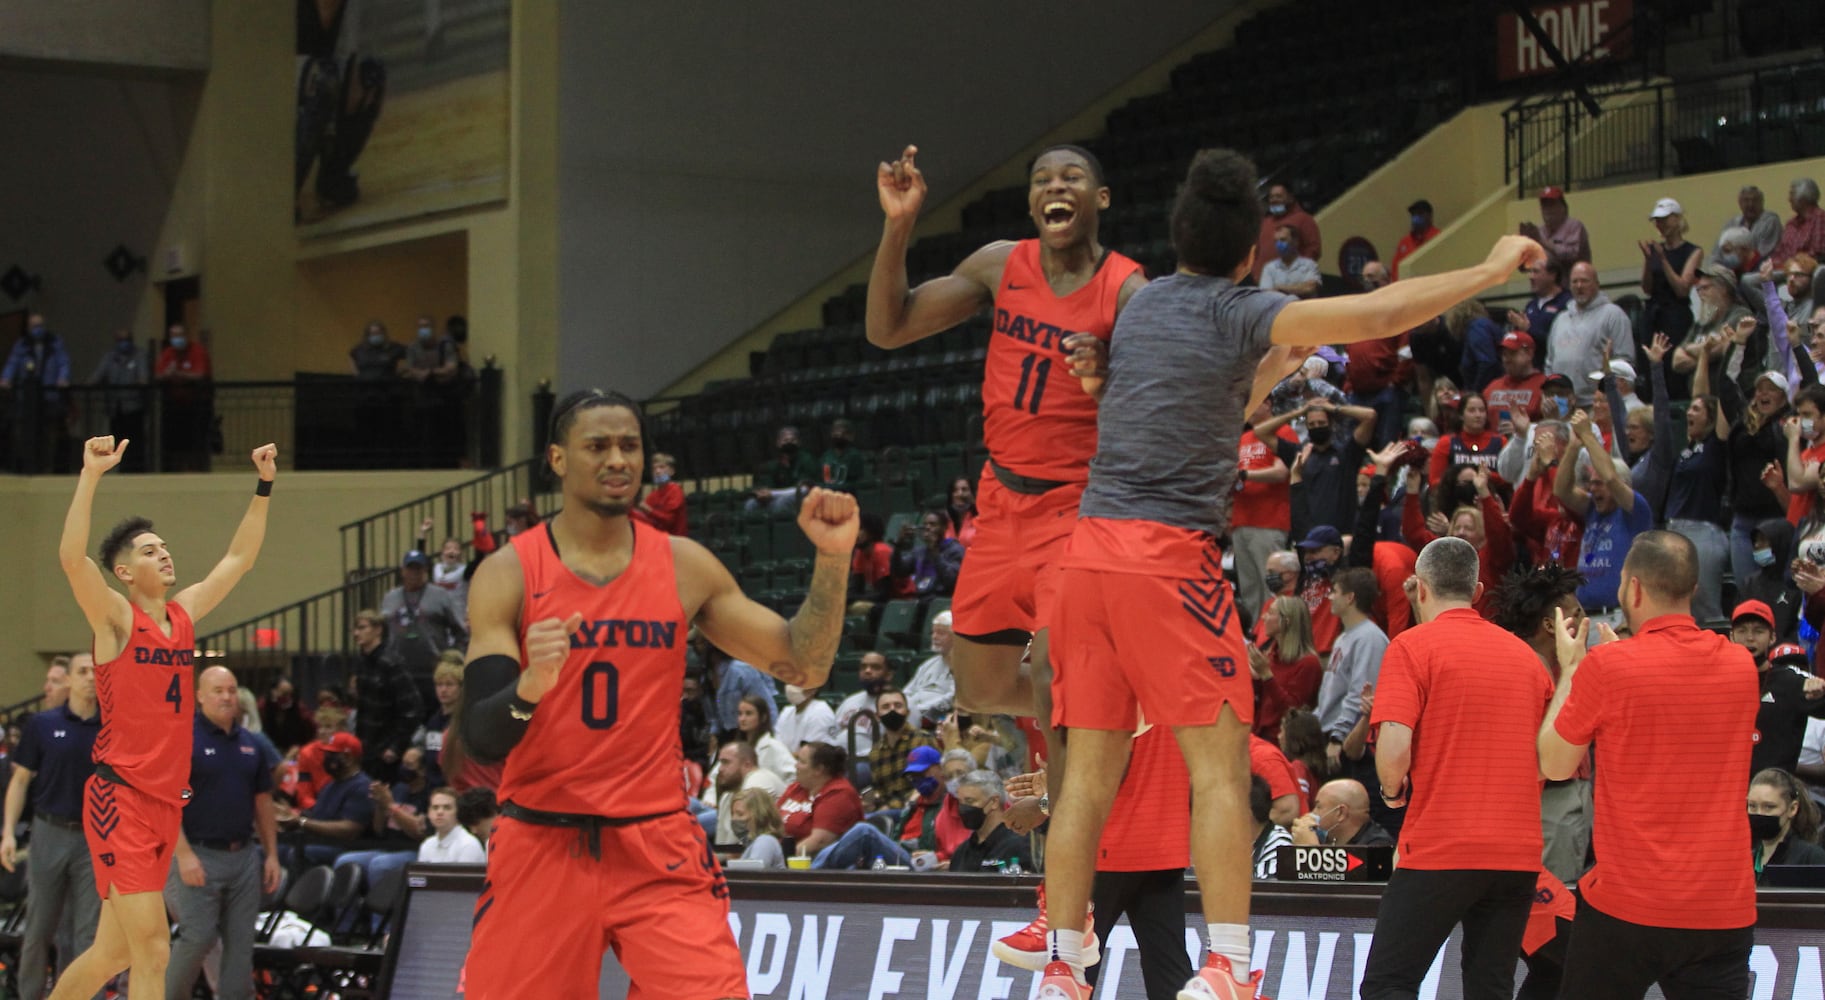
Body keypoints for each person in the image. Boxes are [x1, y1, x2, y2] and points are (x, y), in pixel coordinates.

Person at [1032, 146, 1548, 999]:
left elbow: (1185, 406)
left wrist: (1262, 376)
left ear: (1177, 237)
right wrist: (1490, 265)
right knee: (1221, 766)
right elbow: (1382, 307)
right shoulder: (1242, 308)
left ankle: (1062, 960)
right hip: (1165, 557)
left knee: (1087, 772)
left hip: (1085, 555)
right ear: (1248, 255)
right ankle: (1229, 963)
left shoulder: (1142, 302)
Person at [453, 389, 856, 998]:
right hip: (542, 841)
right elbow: (482, 736)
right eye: (598, 446)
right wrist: (531, 685)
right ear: (558, 460)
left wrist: (831, 559)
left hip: (656, 843)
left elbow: (804, 664)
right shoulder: (510, 571)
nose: (618, 459)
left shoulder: (683, 564)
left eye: (630, 446)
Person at [866, 143, 1148, 834]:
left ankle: (1065, 822)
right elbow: (888, 327)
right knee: (981, 687)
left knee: (1053, 667)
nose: (1056, 186)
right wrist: (898, 225)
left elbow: (1151, 409)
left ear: (1099, 199)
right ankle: (1109, 708)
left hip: (1077, 504)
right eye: (1042, 180)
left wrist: (1105, 375)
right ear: (1031, 203)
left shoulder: (1127, 290)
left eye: (1072, 176)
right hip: (999, 501)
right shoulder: (1001, 263)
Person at [52, 437, 276, 1000]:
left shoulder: (184, 614)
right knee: (153, 949)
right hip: (118, 798)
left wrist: (264, 485)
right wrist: (90, 475)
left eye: (165, 546)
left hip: (163, 806)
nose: (165, 554)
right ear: (125, 572)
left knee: (115, 953)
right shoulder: (115, 619)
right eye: (150, 551)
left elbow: (240, 560)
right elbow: (71, 560)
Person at [1540, 530, 1759, 997]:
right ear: (1694, 590)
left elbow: (1554, 765)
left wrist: (1573, 671)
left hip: (1627, 906)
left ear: (1633, 588)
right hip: (1721, 906)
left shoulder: (1609, 668)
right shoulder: (1742, 667)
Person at [1359, 537, 1550, 1000]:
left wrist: (1391, 793)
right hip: (1517, 853)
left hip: (1442, 845)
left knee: (1388, 984)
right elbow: (1553, 758)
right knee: (1490, 988)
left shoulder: (1412, 647)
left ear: (1419, 589)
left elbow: (1394, 749)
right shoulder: (1530, 660)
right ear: (1478, 590)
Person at [165, 667, 282, 1000]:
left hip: (243, 855)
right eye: (218, 690)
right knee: (197, 938)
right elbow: (167, 802)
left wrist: (271, 854)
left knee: (241, 945)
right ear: (200, 696)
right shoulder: (183, 739)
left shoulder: (251, 745)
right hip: (197, 853)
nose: (227, 697)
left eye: (231, 690)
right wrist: (183, 854)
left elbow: (263, 802)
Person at [2, 653, 101, 1000]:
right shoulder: (43, 725)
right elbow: (20, 781)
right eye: (82, 672)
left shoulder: (112, 727)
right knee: (39, 928)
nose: (90, 678)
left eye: (95, 671)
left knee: (85, 932)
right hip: (50, 831)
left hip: (95, 838)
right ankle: (29, 995)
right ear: (69, 679)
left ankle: (72, 995)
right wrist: (7, 833)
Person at [1493, 564, 1594, 883]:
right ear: (1551, 625)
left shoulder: (1529, 661)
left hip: (1555, 800)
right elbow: (1536, 757)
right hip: (1550, 804)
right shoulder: (1532, 670)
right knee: (1553, 909)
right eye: (1576, 614)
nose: (1583, 621)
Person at [1555, 407, 1654, 633]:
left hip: (1618, 617)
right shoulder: (1592, 509)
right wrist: (1573, 445)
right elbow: (1561, 490)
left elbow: (1610, 476)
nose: (1593, 488)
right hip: (1588, 617)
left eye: (1598, 484)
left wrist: (1588, 436)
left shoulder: (1635, 510)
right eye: (1591, 482)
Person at [813, 744, 965, 869]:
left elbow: (950, 847)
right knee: (851, 867)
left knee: (864, 832)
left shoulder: (949, 804)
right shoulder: (912, 807)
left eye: (922, 773)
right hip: (898, 859)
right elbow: (895, 841)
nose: (918, 780)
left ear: (940, 770)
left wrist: (932, 857)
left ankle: (812, 875)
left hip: (921, 864)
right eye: (914, 776)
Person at [1734, 600, 1825, 775]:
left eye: (1758, 631)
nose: (1750, 637)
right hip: (1731, 790)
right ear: (1731, 636)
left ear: (1772, 637)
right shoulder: (1721, 682)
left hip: (1777, 793)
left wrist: (1820, 689)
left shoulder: (1789, 681)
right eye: (1742, 630)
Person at [1315, 568, 1388, 748]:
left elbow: (1361, 694)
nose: (1330, 597)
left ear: (1349, 598)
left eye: (1335, 592)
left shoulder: (1370, 638)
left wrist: (1338, 737)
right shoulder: (1343, 637)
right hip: (1328, 731)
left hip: (1347, 740)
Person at [349, 609, 425, 782]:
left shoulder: (391, 663)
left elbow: (413, 708)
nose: (356, 633)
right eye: (355, 628)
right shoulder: (362, 663)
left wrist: (396, 746)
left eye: (362, 628)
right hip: (366, 746)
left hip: (384, 749)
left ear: (378, 630)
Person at [1545, 262, 1635, 406]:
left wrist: (1607, 397)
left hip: (1598, 404)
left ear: (1597, 284)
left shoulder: (1613, 315)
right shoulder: (1560, 319)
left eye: (1584, 281)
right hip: (1562, 406)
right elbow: (1549, 363)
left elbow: (1625, 361)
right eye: (1575, 281)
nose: (1579, 286)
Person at [1, 313, 73, 474]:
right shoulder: (22, 345)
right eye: (34, 326)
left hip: (49, 396)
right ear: (28, 328)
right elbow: (12, 363)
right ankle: (24, 467)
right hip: (27, 397)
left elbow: (63, 362)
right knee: (23, 433)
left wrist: (63, 378)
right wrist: (6, 379)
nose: (37, 329)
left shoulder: (54, 342)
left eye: (40, 325)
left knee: (49, 434)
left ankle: (46, 468)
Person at [380, 551, 467, 677]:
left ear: (425, 570)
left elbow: (461, 632)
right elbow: (381, 632)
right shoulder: (390, 598)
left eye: (418, 569)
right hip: (397, 671)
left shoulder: (440, 595)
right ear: (403, 571)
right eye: (410, 568)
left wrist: (450, 659)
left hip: (433, 669)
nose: (414, 573)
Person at [1248, 595, 1320, 743]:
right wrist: (1254, 678)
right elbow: (1260, 703)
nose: (1264, 617)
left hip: (1285, 743)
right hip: (1260, 736)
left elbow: (1292, 711)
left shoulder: (1308, 664)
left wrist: (1266, 676)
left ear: (1285, 622)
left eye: (1271, 613)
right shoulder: (1271, 656)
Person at [777, 742, 865, 860]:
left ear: (819, 769)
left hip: (811, 863)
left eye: (802, 762)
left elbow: (819, 842)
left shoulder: (839, 794)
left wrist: (781, 859)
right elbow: (770, 820)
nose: (796, 765)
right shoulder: (796, 788)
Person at [1640, 198, 1704, 355]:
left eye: (1664, 220)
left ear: (1676, 219)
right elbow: (1647, 288)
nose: (1660, 225)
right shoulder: (1654, 249)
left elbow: (1682, 289)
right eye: (1657, 221)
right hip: (1653, 316)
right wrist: (1648, 261)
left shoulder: (1692, 251)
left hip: (1676, 316)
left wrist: (1663, 260)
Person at [946, 770, 1032, 873]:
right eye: (960, 802)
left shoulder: (1019, 845)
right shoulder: (961, 852)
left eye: (970, 801)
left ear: (994, 802)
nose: (963, 808)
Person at [154, 325, 214, 472]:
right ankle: (176, 470)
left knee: (195, 442)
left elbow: (199, 374)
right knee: (175, 442)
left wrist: (179, 374)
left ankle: (196, 470)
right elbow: (159, 375)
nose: (177, 339)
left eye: (180, 335)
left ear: (186, 336)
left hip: (196, 406)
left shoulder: (197, 350)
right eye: (174, 336)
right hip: (174, 406)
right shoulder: (168, 353)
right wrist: (168, 374)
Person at [866, 687, 937, 809]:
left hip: (917, 807)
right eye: (886, 707)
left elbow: (929, 784)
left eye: (898, 705)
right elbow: (879, 789)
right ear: (877, 716)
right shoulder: (876, 751)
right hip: (887, 811)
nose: (892, 710)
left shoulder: (922, 739)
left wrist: (892, 807)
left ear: (907, 712)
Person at [1749, 768, 1825, 882]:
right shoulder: (1744, 861)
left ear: (1792, 808)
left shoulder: (1811, 858)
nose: (1759, 813)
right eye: (1752, 806)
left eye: (1769, 807)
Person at [90, 329, 149, 473]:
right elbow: (96, 378)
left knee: (135, 442)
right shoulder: (110, 357)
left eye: (126, 340)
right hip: (115, 408)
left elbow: (143, 379)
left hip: (134, 407)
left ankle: (136, 470)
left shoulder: (139, 355)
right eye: (121, 340)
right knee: (117, 441)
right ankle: (120, 469)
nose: (124, 344)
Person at [1287, 778, 1394, 848]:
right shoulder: (1324, 839)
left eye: (1319, 806)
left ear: (1340, 813)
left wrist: (1311, 850)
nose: (1313, 813)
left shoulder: (1377, 847)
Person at [1253, 182, 1321, 282]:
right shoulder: (1265, 223)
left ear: (1290, 198)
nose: (1274, 200)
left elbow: (1313, 249)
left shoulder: (1304, 219)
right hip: (1265, 284)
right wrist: (1256, 272)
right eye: (1271, 197)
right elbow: (1256, 251)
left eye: (1279, 196)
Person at [747, 426, 819, 513]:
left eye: (793, 440)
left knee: (782, 502)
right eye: (785, 440)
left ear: (799, 442)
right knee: (751, 504)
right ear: (778, 443)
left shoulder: (806, 460)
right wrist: (761, 493)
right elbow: (764, 486)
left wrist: (773, 493)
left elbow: (804, 489)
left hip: (802, 498)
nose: (789, 442)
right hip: (776, 497)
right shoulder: (773, 464)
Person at [904, 609, 956, 726]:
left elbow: (953, 697)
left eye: (941, 633)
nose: (934, 637)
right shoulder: (929, 664)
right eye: (933, 632)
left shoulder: (964, 666)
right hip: (911, 713)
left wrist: (918, 710)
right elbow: (908, 691)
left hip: (936, 719)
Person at [1519, 186, 1591, 265]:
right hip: (1544, 277)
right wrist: (1524, 247)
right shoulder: (1540, 231)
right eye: (1544, 205)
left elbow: (1571, 254)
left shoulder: (1574, 226)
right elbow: (1525, 267)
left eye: (1551, 204)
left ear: (1563, 207)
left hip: (1572, 277)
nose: (1547, 209)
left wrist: (1542, 241)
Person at [735, 693, 795, 783]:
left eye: (748, 714)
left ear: (763, 717)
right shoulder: (735, 748)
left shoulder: (773, 746)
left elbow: (793, 776)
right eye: (740, 714)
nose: (742, 719)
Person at [417, 787, 486, 863]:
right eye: (435, 807)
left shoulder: (468, 844)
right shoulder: (427, 844)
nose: (440, 812)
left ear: (458, 813)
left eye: (447, 808)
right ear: (429, 813)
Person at [724, 787, 786, 869]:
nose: (734, 819)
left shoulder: (765, 841)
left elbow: (752, 876)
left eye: (740, 814)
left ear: (759, 816)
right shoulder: (753, 843)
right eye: (733, 814)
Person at [1719, 184, 1783, 258]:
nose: (1750, 204)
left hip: (1760, 267)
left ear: (1762, 202)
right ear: (1740, 203)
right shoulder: (1732, 223)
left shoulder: (1770, 221)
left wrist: (1735, 252)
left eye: (1755, 200)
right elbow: (1720, 251)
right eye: (1746, 200)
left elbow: (1762, 255)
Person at [633, 452, 688, 536]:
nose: (657, 471)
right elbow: (646, 518)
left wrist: (647, 509)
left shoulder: (675, 491)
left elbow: (669, 521)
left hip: (675, 540)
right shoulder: (653, 495)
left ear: (671, 471)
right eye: (654, 469)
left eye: (662, 467)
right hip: (659, 539)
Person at [1258, 225, 1321, 298]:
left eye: (1283, 240)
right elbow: (1266, 295)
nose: (1278, 244)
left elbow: (1309, 288)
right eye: (1276, 241)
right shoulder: (1269, 268)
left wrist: (1280, 288)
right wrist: (1298, 288)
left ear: (1295, 241)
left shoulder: (1309, 265)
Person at [774, 681, 838, 752]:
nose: (791, 687)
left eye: (799, 683)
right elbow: (777, 749)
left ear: (813, 689)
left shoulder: (821, 712)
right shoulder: (786, 712)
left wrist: (781, 758)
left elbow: (813, 755)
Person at [1390, 199, 1441, 279]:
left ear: (1429, 216)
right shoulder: (1404, 242)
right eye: (1413, 215)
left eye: (1420, 214)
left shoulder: (1437, 237)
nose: (1415, 218)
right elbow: (1395, 270)